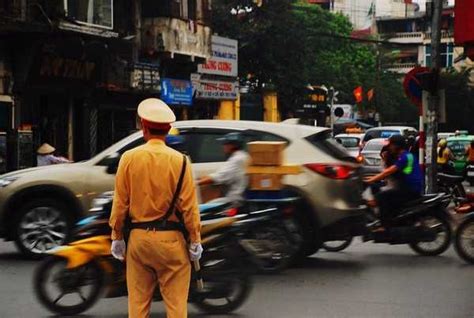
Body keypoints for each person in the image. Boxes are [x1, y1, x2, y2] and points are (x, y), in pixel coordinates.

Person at [109, 98, 202, 318]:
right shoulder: (181, 161)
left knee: (138, 308)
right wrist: (195, 239)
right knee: (177, 308)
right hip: (172, 243)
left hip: (139, 243)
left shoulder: (128, 158)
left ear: (143, 127)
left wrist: (117, 236)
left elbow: (120, 204)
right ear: (168, 129)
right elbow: (189, 207)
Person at [364, 135, 423, 229]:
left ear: (397, 145)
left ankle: (384, 226)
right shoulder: (406, 156)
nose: (389, 148)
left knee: (381, 197)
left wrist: (369, 180)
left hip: (410, 189)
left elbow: (388, 171)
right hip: (408, 187)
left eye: (391, 145)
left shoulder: (405, 157)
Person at [197, 132, 249, 206]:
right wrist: (200, 178)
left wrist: (195, 183)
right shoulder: (243, 156)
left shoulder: (237, 159)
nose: (223, 146)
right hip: (236, 197)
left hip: (233, 200)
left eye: (225, 144)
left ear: (232, 145)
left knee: (201, 209)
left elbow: (219, 177)